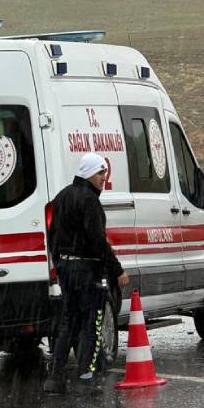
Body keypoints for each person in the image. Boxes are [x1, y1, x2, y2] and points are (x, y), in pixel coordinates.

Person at [44, 153, 130, 393]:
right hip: (87, 269)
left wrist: (60, 263)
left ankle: (55, 377)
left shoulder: (61, 197)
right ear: (89, 173)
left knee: (68, 322)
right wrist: (116, 269)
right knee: (93, 322)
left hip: (66, 268)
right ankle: (86, 377)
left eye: (104, 173)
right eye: (100, 173)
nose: (104, 178)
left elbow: (52, 236)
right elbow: (96, 240)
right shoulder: (89, 200)